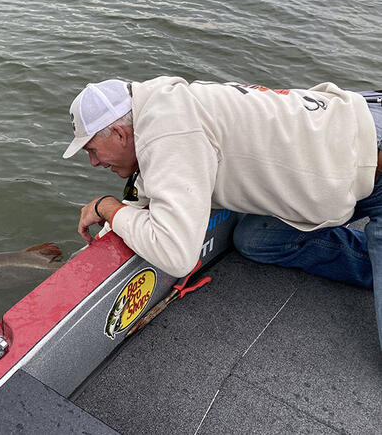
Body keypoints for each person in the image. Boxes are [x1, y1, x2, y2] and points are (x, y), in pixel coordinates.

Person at [63, 77, 382, 348]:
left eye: (92, 150)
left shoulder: (169, 133)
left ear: (119, 134)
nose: (94, 163)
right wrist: (112, 224)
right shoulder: (161, 106)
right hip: (345, 149)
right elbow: (148, 190)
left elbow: (176, 255)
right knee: (255, 239)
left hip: (370, 153)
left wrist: (107, 207)